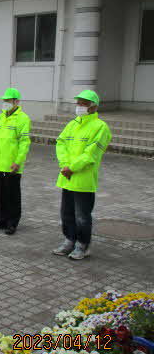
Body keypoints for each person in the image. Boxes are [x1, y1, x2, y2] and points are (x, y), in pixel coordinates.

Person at [53, 90, 112, 260]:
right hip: (67, 176)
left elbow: (91, 154)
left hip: (83, 179)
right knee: (67, 214)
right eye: (78, 103)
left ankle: (82, 245)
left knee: (82, 216)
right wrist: (64, 165)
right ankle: (69, 240)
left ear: (93, 106)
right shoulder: (73, 124)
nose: (79, 107)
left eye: (83, 103)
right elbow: (60, 142)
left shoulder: (101, 127)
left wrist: (72, 167)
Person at [0, 88, 32, 235]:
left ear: (16, 102)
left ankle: (12, 222)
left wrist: (18, 161)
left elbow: (24, 142)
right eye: (4, 100)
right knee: (0, 195)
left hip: (12, 165)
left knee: (12, 195)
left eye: (8, 100)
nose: (5, 103)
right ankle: (1, 220)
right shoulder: (0, 118)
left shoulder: (23, 119)